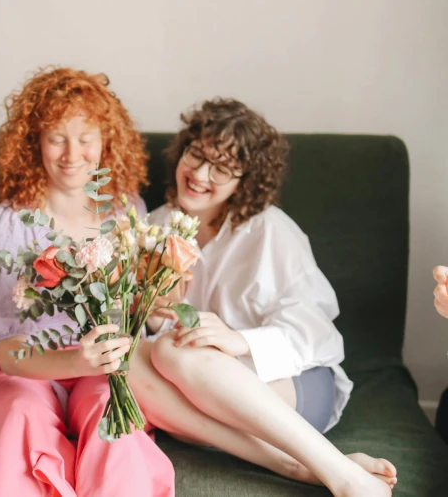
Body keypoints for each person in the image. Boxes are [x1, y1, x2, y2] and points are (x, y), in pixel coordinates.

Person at [127, 98, 397, 497]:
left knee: (172, 351)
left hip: (290, 384)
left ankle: (343, 477)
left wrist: (242, 340)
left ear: (245, 180)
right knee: (125, 360)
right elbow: (152, 329)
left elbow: (319, 333)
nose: (200, 174)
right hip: (201, 392)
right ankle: (296, 466)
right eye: (196, 154)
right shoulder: (157, 226)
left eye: (221, 168)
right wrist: (151, 314)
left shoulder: (271, 231)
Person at [0, 67, 175, 497]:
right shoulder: (5, 226)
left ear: (106, 142)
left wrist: (158, 298)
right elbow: (9, 356)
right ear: (34, 142)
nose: (72, 154)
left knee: (109, 415)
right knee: (21, 413)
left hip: (102, 372)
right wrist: (76, 362)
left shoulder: (125, 212)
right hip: (25, 371)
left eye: (86, 138)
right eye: (57, 137)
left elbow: (138, 308)